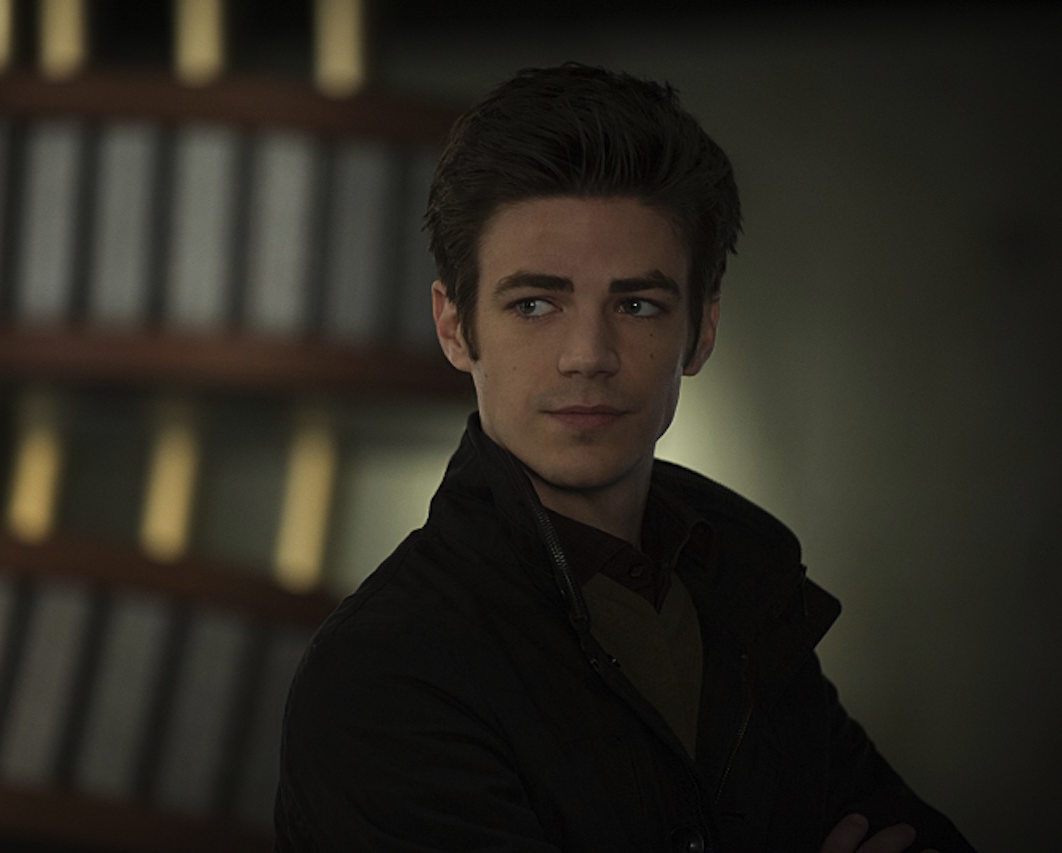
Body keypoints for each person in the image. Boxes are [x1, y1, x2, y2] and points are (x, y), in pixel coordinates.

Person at [273, 63, 975, 853]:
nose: (588, 354)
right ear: (454, 327)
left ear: (700, 332)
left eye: (637, 304)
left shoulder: (743, 590)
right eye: (534, 304)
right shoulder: (384, 672)